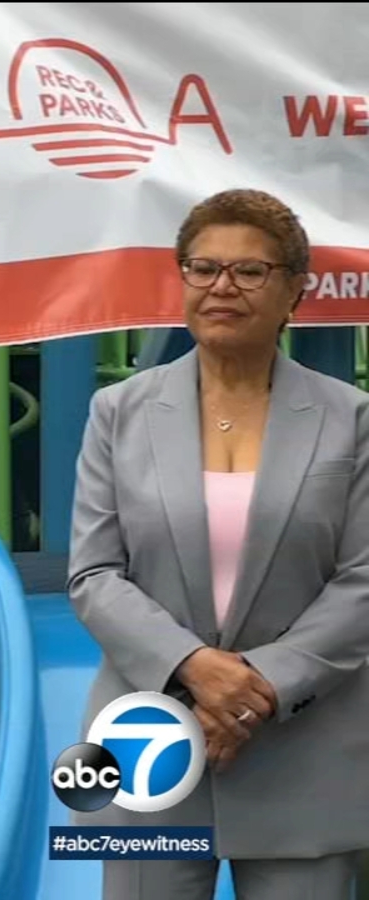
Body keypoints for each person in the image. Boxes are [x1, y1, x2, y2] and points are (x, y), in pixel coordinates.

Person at [67, 188, 369, 899]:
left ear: (294, 288)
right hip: (148, 742)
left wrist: (252, 691)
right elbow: (95, 574)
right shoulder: (118, 412)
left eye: (249, 271)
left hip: (305, 747)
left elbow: (363, 579)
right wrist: (194, 669)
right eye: (202, 269)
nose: (221, 287)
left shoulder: (351, 419)